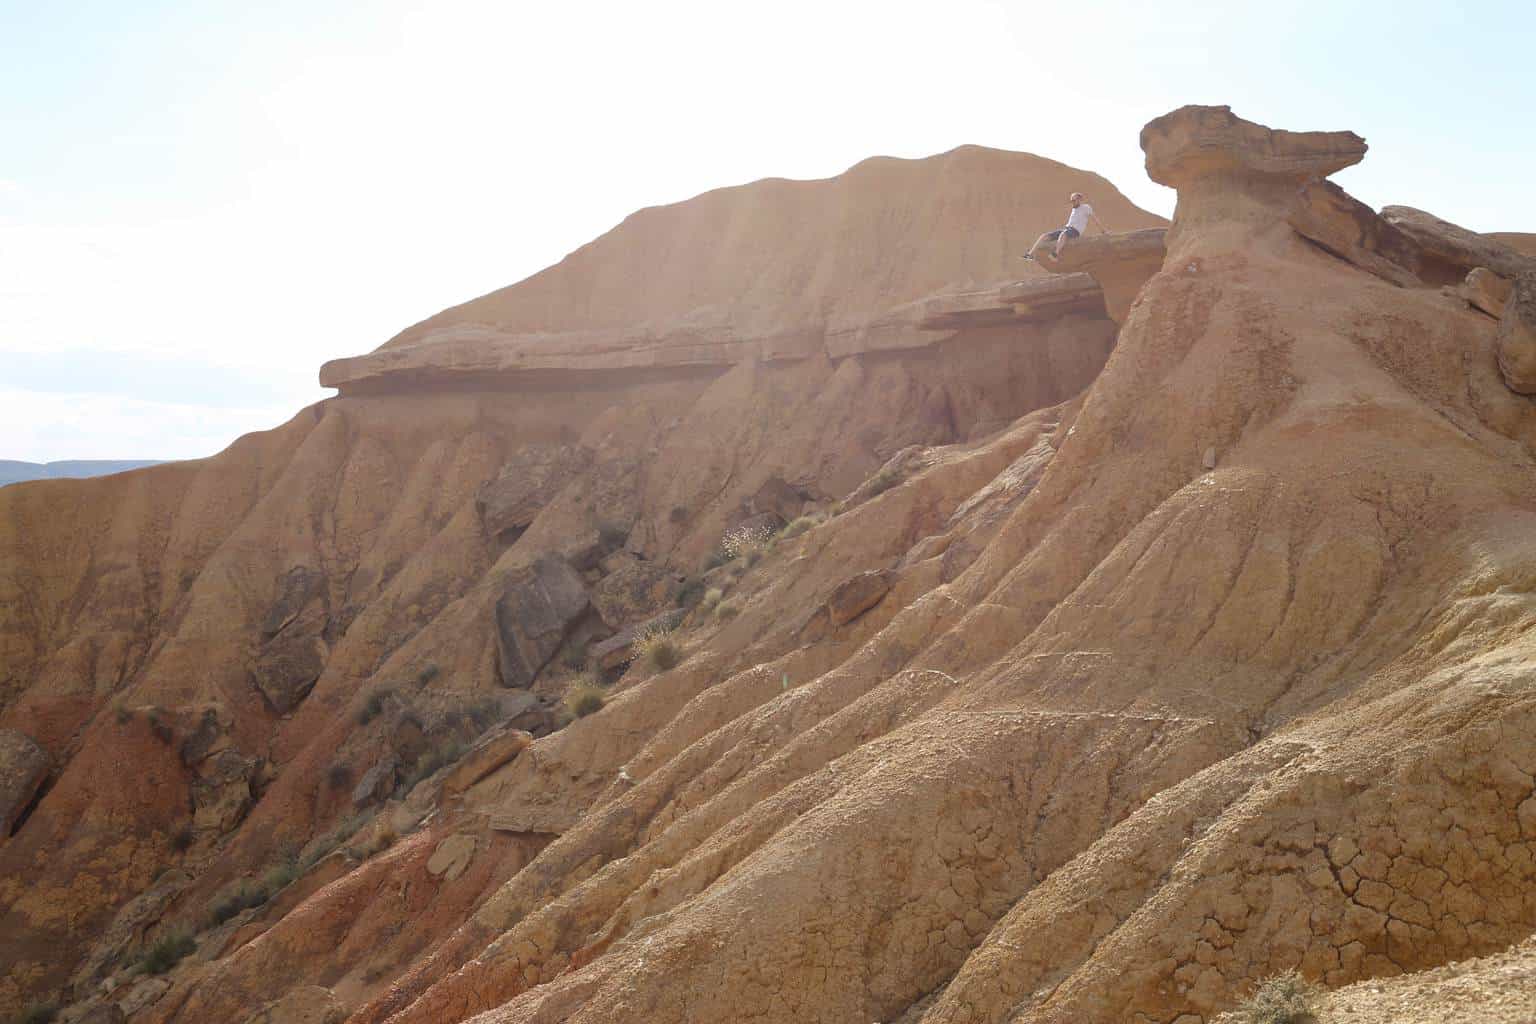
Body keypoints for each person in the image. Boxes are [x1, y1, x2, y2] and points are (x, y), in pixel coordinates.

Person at [1022, 193, 1107, 262]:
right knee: (1044, 236)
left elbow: (1095, 219)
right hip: (1067, 228)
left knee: (1063, 234)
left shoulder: (1086, 207)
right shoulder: (1074, 209)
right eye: (1071, 200)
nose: (1072, 202)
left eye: (1074, 200)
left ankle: (1055, 254)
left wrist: (1103, 231)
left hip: (1075, 231)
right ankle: (1030, 254)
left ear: (1079, 200)